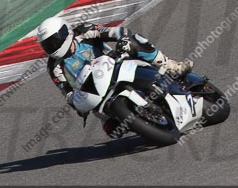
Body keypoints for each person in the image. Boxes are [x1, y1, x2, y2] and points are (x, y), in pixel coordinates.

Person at [36, 16, 193, 137]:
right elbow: (66, 92)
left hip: (116, 65)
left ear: (65, 32)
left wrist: (123, 39)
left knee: (135, 41)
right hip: (96, 93)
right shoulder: (54, 67)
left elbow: (117, 32)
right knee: (112, 129)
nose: (52, 47)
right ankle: (136, 121)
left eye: (54, 41)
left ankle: (172, 66)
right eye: (48, 45)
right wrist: (76, 102)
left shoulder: (84, 31)